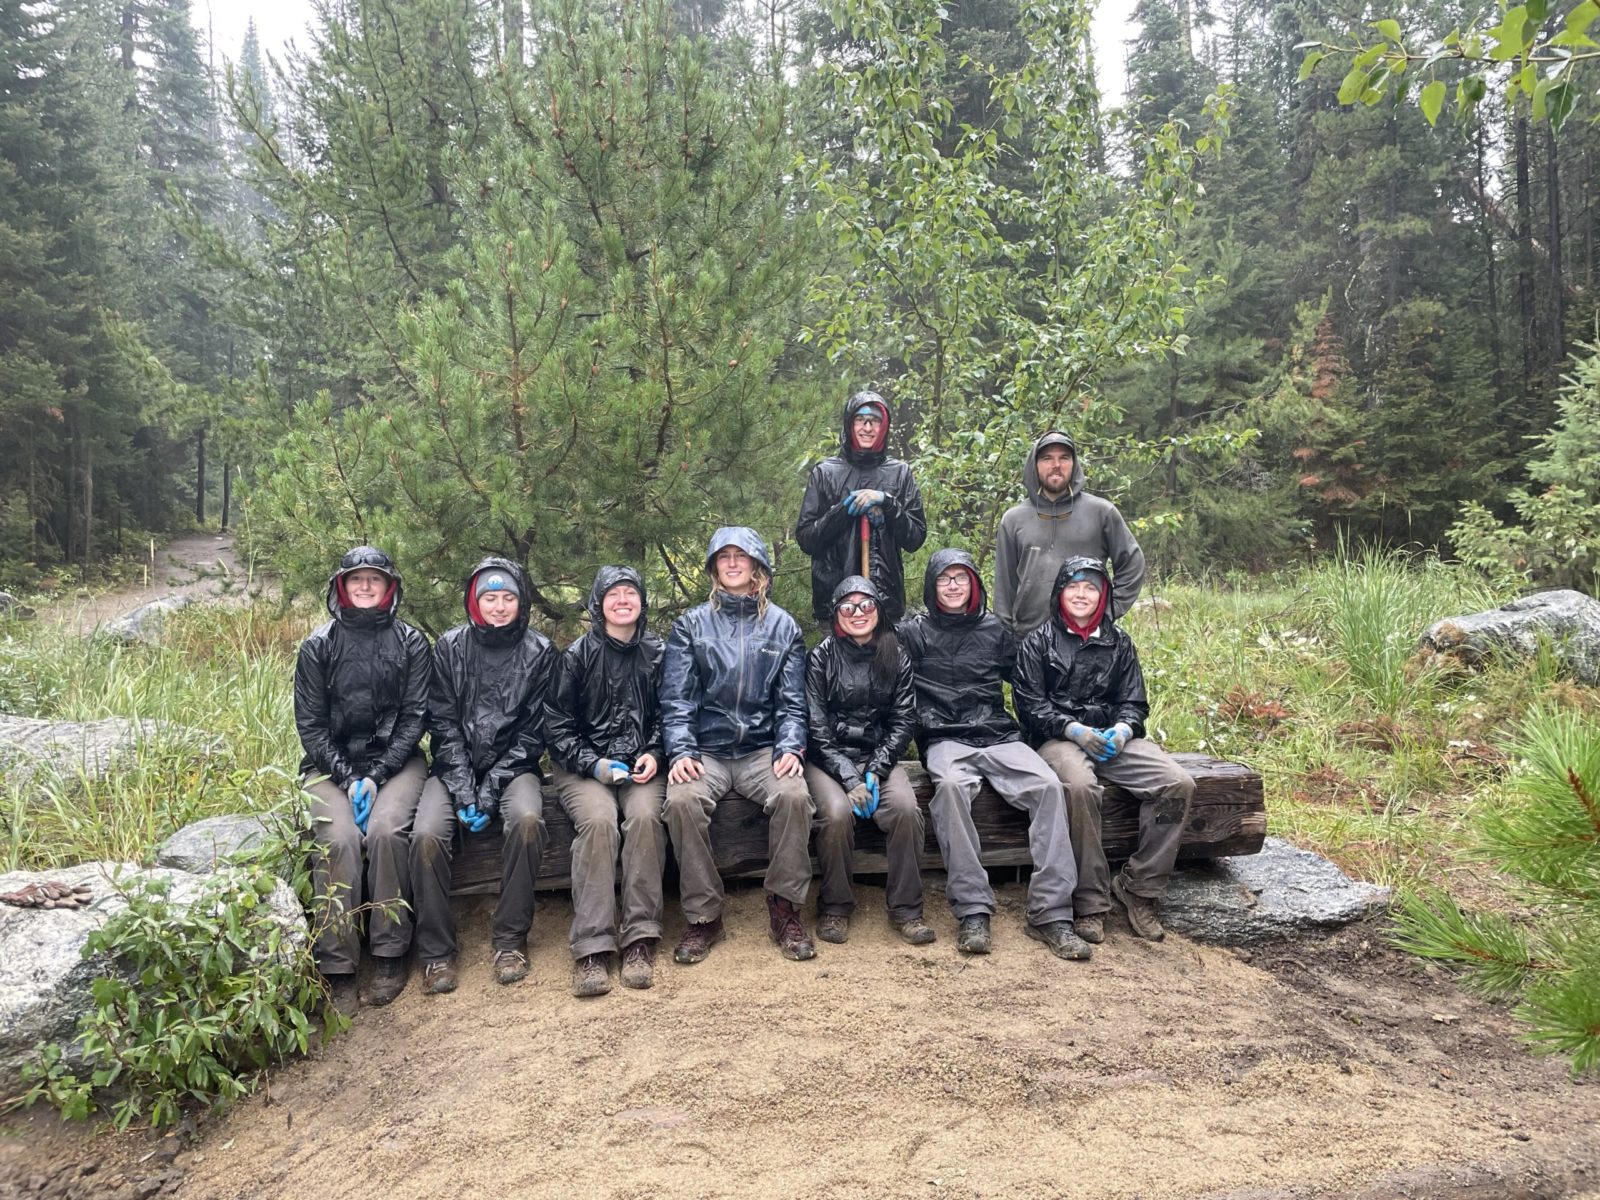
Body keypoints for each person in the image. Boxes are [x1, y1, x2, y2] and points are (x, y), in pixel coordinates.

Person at [898, 548, 1091, 961]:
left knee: (1047, 786)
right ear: (932, 586)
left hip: (998, 735)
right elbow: (885, 675)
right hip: (944, 737)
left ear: (974, 584)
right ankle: (973, 910)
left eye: (961, 577)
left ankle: (1051, 913)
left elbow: (1027, 684)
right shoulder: (912, 632)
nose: (953, 585)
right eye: (944, 578)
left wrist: (1061, 721)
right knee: (948, 788)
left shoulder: (995, 631)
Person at [1012, 556, 1195, 942]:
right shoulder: (1037, 641)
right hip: (1057, 738)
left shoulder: (1120, 643)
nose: (1082, 594)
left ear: (1104, 595)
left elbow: (1135, 701)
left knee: (1177, 783)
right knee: (1079, 787)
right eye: (1073, 586)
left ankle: (1140, 888)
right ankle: (1090, 900)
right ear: (1060, 592)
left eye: (1091, 587)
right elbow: (1029, 705)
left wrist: (1125, 730)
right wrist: (1072, 729)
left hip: (1112, 738)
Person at [660, 527, 816, 964]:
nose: (732, 563)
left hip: (760, 750)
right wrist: (682, 752)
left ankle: (785, 908)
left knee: (794, 795)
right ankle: (705, 915)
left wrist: (789, 747)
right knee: (682, 802)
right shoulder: (691, 624)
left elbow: (791, 702)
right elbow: (677, 698)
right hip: (707, 750)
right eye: (723, 556)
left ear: (757, 566)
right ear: (713, 567)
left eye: (741, 556)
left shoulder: (782, 625)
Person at [411, 558, 557, 993]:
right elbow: (442, 723)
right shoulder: (450, 648)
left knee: (528, 821)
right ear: (474, 603)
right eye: (489, 598)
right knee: (425, 835)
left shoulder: (541, 652)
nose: (498, 606)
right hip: (454, 769)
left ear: (521, 601)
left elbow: (535, 732)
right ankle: (437, 953)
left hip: (516, 770)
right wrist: (462, 789)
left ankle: (510, 939)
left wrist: (490, 790)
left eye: (508, 597)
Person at [294, 546, 430, 1011]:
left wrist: (375, 773)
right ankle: (337, 965)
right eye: (357, 580)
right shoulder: (318, 646)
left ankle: (390, 951)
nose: (366, 586)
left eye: (374, 578)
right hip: (329, 766)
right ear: (342, 587)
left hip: (397, 762)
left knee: (388, 831)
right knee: (339, 840)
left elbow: (415, 718)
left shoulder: (412, 643)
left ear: (389, 585)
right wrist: (349, 775)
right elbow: (310, 725)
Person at [544, 565, 668, 996]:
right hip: (584, 767)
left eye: (630, 593)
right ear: (598, 603)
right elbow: (557, 726)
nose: (622, 600)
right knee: (598, 821)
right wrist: (592, 762)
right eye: (613, 594)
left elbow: (671, 715)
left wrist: (655, 752)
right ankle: (593, 946)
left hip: (641, 766)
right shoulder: (576, 656)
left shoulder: (658, 652)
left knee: (646, 818)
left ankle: (640, 937)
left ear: (641, 602)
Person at [805, 575, 935, 946]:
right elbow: (814, 725)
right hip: (829, 759)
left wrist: (876, 770)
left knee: (907, 810)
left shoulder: (896, 654)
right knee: (836, 812)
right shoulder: (821, 656)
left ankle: (907, 909)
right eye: (848, 606)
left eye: (866, 605)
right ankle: (835, 905)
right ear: (836, 613)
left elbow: (903, 720)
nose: (858, 613)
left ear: (878, 609)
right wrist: (850, 779)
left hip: (878, 756)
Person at [993, 430, 1146, 639]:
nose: (1056, 465)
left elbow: (1132, 563)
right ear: (1034, 466)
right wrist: (1006, 636)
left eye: (1064, 458)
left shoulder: (1101, 512)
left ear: (1074, 465)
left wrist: (1109, 610)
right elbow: (1004, 586)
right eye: (1047, 458)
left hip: (1086, 639)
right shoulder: (1013, 519)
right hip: (1027, 638)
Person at [795, 390, 927, 629]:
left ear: (884, 427)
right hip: (836, 607)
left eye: (874, 421)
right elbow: (807, 540)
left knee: (888, 666)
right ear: (849, 424)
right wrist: (843, 511)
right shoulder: (825, 473)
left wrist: (888, 504)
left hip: (885, 606)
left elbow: (915, 538)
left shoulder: (900, 473)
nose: (867, 427)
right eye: (860, 420)